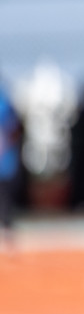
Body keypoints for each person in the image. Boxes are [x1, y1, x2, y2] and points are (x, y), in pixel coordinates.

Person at [0, 79, 18, 246]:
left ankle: (7, 229)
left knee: (4, 196)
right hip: (5, 159)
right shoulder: (5, 101)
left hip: (4, 160)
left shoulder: (4, 101)